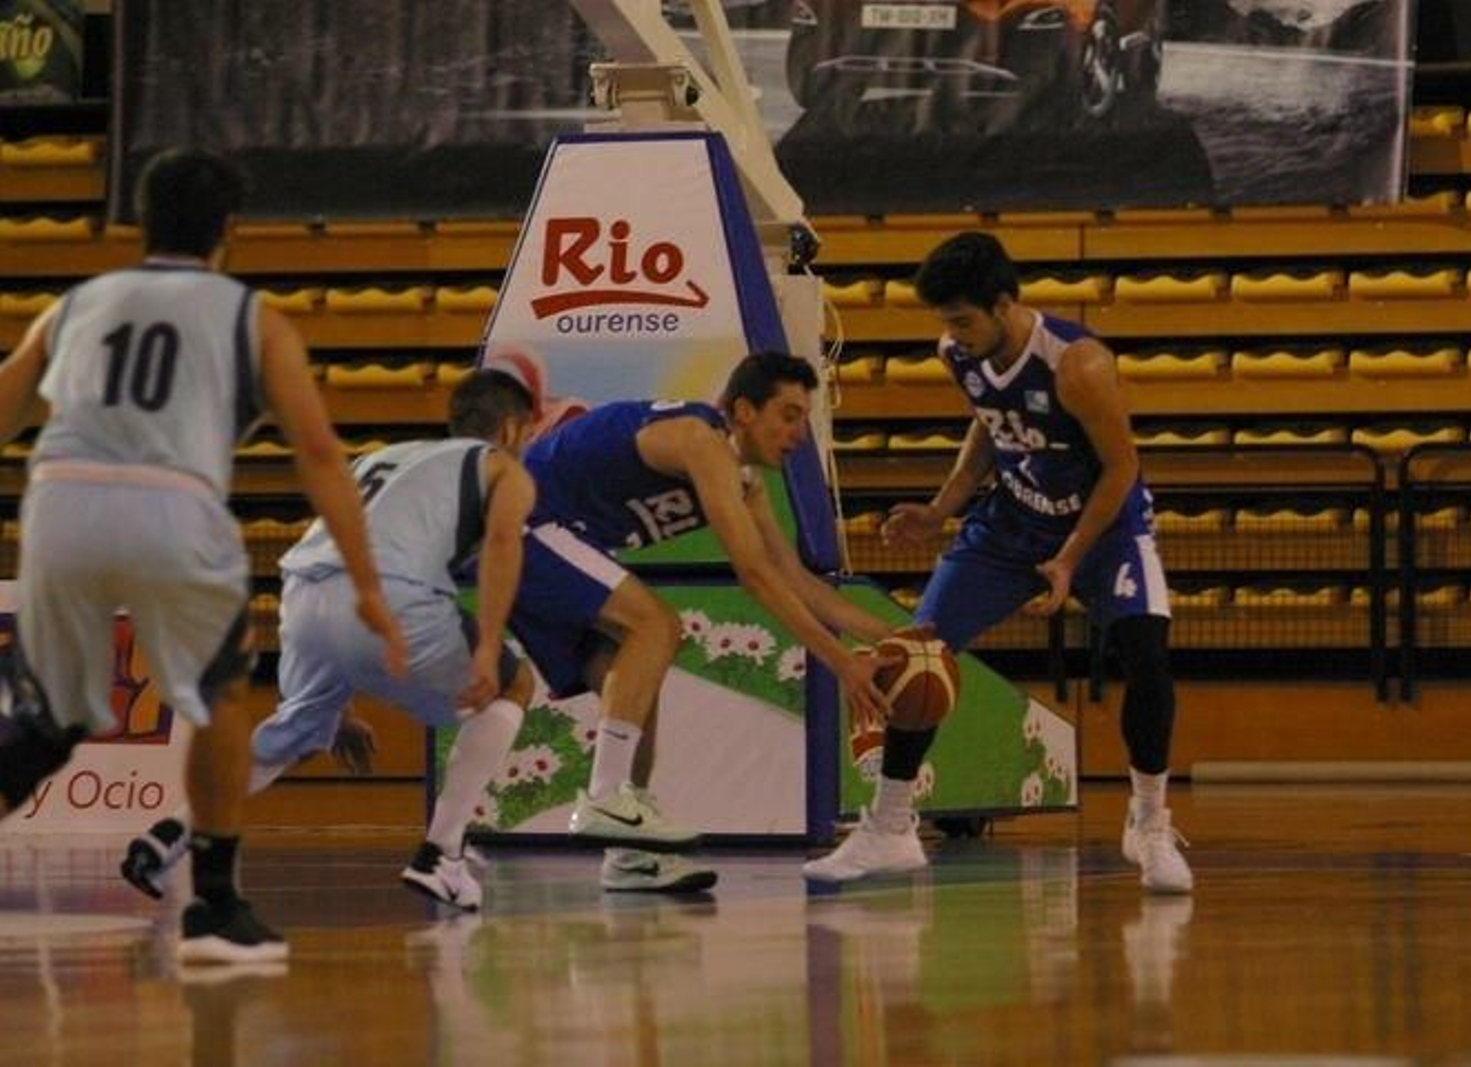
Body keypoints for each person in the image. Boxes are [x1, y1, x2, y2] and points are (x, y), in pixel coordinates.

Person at [0, 147, 407, 963]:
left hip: (59, 502)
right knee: (220, 692)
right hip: (169, 505)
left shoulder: (76, 303)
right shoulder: (250, 317)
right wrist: (368, 584)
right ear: (230, 229)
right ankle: (216, 907)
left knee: (54, 720)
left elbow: (5, 403)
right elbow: (321, 456)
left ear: (139, 221)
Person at [802, 232, 1192, 894]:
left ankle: (1149, 822)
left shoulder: (1078, 364)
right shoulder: (959, 351)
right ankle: (891, 827)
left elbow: (1122, 466)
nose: (952, 333)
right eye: (945, 321)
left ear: (1005, 303)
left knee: (1147, 654)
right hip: (1011, 518)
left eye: (962, 319)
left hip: (1102, 524)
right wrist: (941, 507)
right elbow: (989, 424)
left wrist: (1070, 558)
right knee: (918, 653)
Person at [120, 369, 540, 912]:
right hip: (390, 594)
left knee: (296, 731)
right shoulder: (502, 468)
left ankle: (167, 836)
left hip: (303, 593)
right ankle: (441, 854)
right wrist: (486, 647)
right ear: (510, 429)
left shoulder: (384, 457)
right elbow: (505, 543)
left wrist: (335, 699)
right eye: (527, 434)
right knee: (513, 685)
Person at [507, 350, 894, 891]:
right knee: (659, 626)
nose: (800, 433)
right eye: (789, 414)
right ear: (742, 410)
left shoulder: (743, 481)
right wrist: (842, 663)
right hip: (519, 517)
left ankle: (628, 851)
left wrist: (902, 637)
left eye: (805, 418)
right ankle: (605, 799)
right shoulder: (698, 440)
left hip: (557, 533)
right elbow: (755, 577)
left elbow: (802, 585)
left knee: (638, 675)